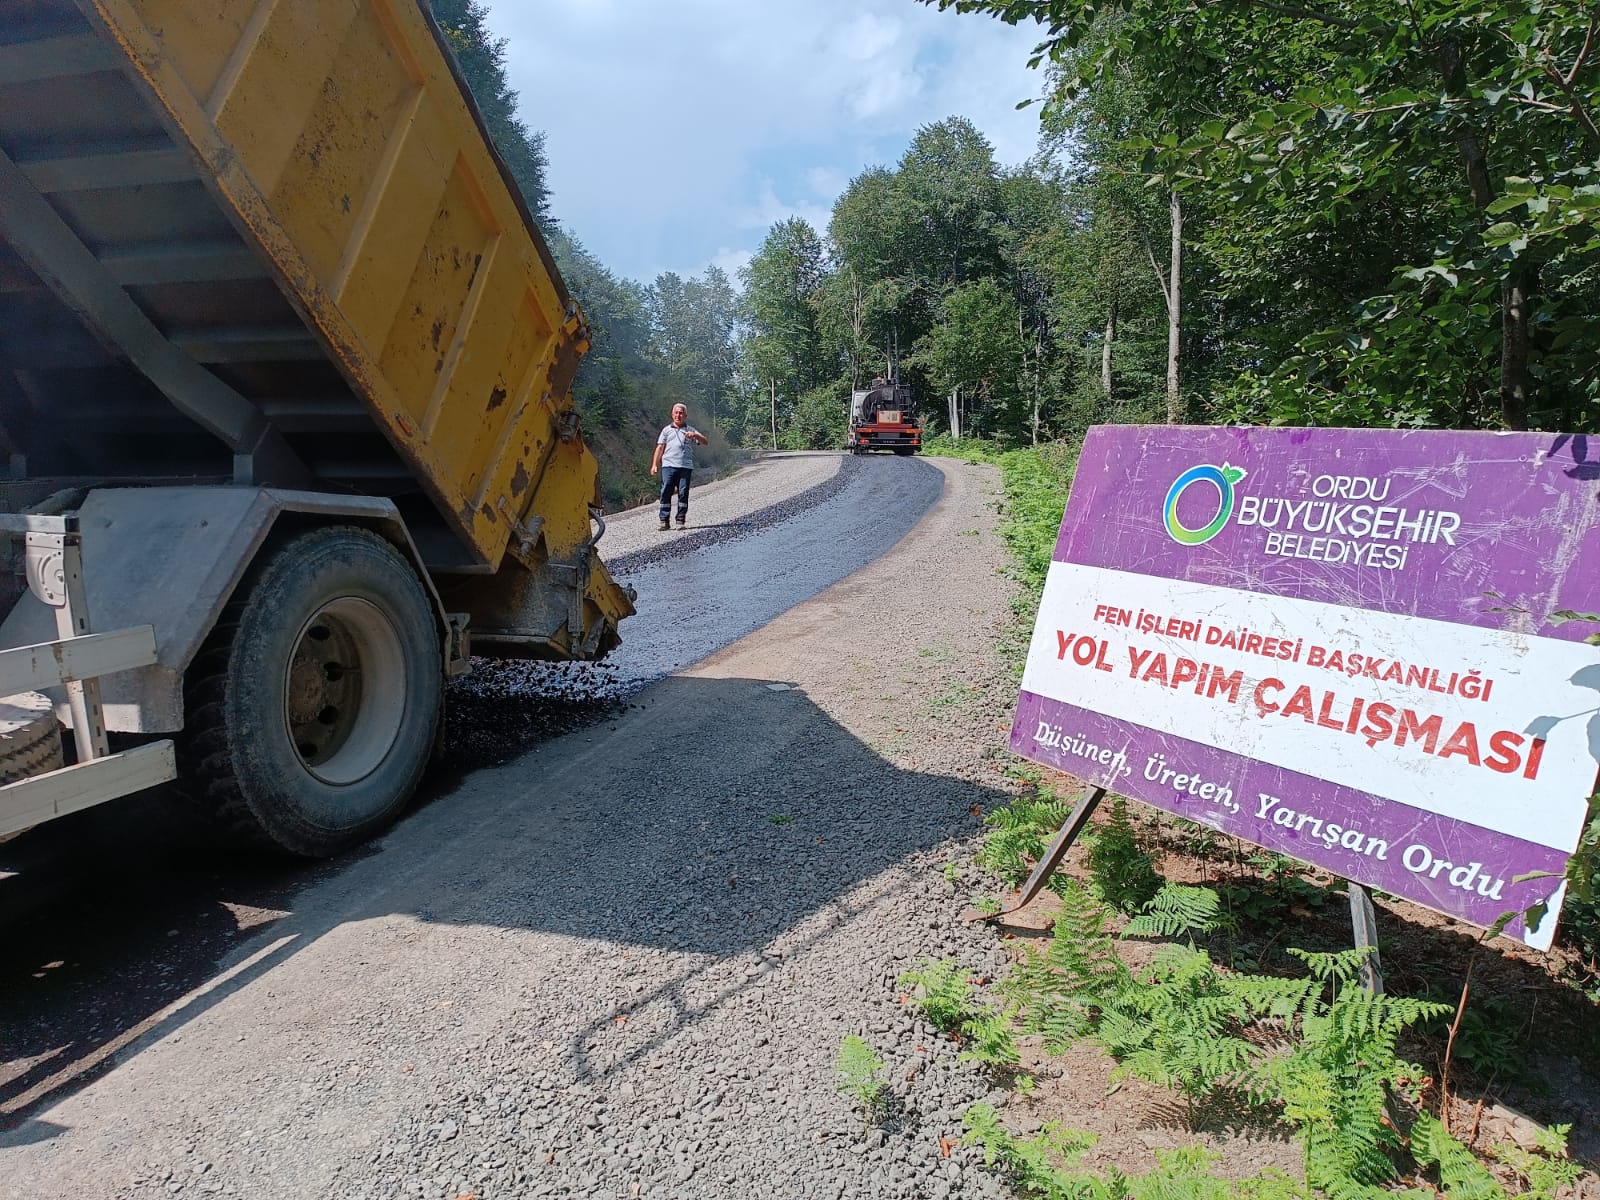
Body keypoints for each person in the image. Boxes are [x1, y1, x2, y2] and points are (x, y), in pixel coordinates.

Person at [650, 403, 708, 530]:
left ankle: (680, 520)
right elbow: (659, 447)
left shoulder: (690, 429)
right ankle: (664, 520)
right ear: (672, 414)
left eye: (681, 413)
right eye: (676, 413)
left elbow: (705, 442)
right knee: (665, 491)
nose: (678, 415)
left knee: (683, 492)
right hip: (668, 465)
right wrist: (654, 464)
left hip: (685, 466)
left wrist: (696, 436)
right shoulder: (666, 430)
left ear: (685, 415)